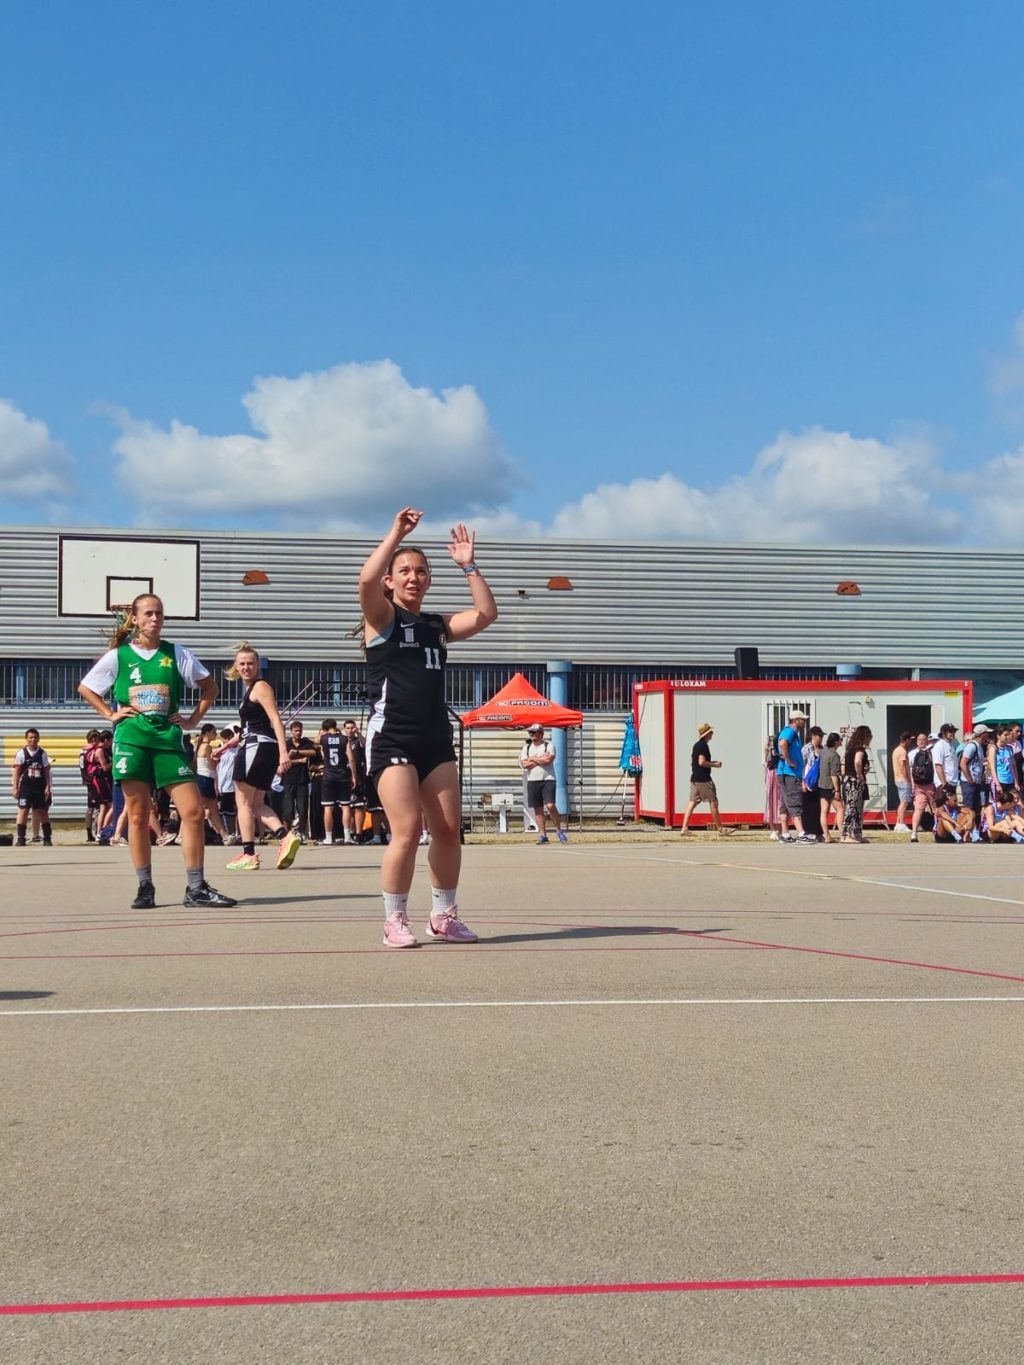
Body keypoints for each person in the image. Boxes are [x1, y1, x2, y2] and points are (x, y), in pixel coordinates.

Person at [360, 507, 498, 947]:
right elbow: (365, 580)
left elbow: (485, 614)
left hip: (435, 738)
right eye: (404, 571)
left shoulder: (437, 626)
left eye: (421, 571)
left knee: (447, 830)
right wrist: (396, 533)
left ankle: (443, 916)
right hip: (392, 737)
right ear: (390, 580)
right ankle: (394, 919)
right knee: (406, 829)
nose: (413, 577)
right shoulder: (382, 618)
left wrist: (469, 566)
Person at [77, 593, 237, 909]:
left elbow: (210, 687)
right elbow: (86, 687)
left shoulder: (177, 653)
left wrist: (192, 719)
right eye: (148, 613)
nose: (155, 618)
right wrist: (109, 714)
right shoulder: (119, 656)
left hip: (167, 740)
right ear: (135, 618)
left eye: (159, 613)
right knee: (137, 815)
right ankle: (145, 886)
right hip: (132, 741)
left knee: (193, 811)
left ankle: (196, 888)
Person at [224, 645, 300, 872]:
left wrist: (284, 752)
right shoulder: (249, 691)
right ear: (236, 666)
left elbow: (276, 719)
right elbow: (247, 727)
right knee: (256, 803)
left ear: (258, 665)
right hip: (257, 745)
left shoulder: (260, 687)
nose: (246, 667)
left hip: (257, 747)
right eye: (242, 663)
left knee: (243, 802)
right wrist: (226, 746)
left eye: (250, 663)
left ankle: (248, 854)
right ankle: (285, 837)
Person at [521, 722, 569, 843]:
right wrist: (540, 759)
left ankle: (559, 830)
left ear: (541, 733)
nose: (532, 734)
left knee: (550, 805)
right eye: (530, 732)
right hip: (532, 780)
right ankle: (542, 834)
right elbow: (524, 764)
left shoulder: (549, 745)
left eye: (534, 732)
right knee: (538, 809)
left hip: (548, 779)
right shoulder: (526, 748)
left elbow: (549, 760)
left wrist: (532, 759)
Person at [679, 722, 724, 835]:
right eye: (711, 732)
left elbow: (694, 762)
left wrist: (711, 762)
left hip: (694, 778)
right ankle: (720, 828)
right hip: (703, 779)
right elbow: (701, 762)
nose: (712, 734)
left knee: (692, 802)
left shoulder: (696, 745)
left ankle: (684, 828)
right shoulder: (703, 746)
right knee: (713, 801)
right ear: (707, 734)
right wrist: (715, 765)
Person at [12, 728, 53, 846]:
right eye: (30, 737)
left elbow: (46, 771)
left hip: (39, 787)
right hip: (26, 787)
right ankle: (21, 838)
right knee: (23, 811)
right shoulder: (21, 753)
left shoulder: (42, 753)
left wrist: (48, 786)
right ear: (26, 739)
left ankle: (47, 838)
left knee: (42, 811)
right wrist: (15, 787)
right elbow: (16, 771)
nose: (33, 739)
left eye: (35, 737)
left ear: (38, 738)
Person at [777, 711, 813, 843]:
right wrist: (789, 760)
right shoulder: (790, 731)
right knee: (794, 801)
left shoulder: (792, 733)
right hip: (789, 774)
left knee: (786, 804)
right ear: (796, 720)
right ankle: (801, 833)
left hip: (786, 773)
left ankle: (785, 834)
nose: (804, 722)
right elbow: (783, 743)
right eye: (802, 719)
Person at [195, 722, 232, 843]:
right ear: (207, 733)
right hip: (206, 778)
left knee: (213, 810)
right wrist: (217, 759)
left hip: (204, 778)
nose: (215, 734)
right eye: (214, 732)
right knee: (200, 809)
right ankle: (182, 834)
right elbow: (212, 766)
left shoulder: (200, 746)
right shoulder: (207, 747)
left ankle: (224, 836)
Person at [281, 719, 318, 838]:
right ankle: (286, 834)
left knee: (302, 809)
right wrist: (299, 760)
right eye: (296, 731)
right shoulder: (286, 744)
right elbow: (284, 762)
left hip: (302, 780)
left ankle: (302, 833)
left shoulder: (305, 742)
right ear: (291, 731)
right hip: (288, 780)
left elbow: (313, 752)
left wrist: (297, 751)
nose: (298, 733)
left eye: (300, 731)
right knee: (288, 810)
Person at [840, 725, 872, 844]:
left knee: (857, 809)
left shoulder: (850, 749)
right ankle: (846, 835)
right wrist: (859, 774)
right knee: (852, 808)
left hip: (849, 780)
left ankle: (857, 834)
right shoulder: (859, 750)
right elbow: (857, 762)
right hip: (854, 782)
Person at [908, 732, 939, 844]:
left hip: (918, 785)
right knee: (935, 809)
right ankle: (937, 832)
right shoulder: (932, 752)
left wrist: (912, 785)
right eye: (920, 739)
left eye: (923, 739)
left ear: (926, 741)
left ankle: (914, 833)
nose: (921, 741)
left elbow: (910, 770)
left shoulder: (912, 754)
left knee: (918, 809)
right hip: (930, 784)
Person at [959, 724, 989, 830]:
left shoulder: (980, 746)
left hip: (976, 781)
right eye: (986, 733)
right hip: (969, 783)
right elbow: (963, 763)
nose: (988, 735)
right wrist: (969, 779)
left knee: (976, 807)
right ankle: (965, 830)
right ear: (982, 734)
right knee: (969, 808)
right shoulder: (972, 746)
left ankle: (974, 830)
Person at [817, 732, 844, 843]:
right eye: (840, 739)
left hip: (821, 784)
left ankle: (827, 836)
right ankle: (843, 834)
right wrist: (837, 790)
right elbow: (834, 775)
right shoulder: (834, 756)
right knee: (840, 809)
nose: (841, 741)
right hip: (830, 786)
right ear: (836, 742)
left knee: (824, 811)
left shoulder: (823, 752)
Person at [801, 725, 825, 840]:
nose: (821, 738)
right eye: (820, 736)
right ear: (813, 736)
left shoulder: (822, 748)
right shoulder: (806, 748)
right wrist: (802, 782)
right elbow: (802, 765)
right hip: (808, 781)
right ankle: (809, 831)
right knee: (808, 807)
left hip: (820, 782)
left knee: (818, 807)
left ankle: (818, 831)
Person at [890, 731, 913, 834]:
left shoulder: (896, 750)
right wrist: (908, 779)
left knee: (902, 802)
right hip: (903, 779)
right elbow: (904, 766)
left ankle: (898, 824)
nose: (910, 742)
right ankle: (901, 824)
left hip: (898, 779)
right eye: (910, 740)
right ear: (906, 740)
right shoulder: (902, 751)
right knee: (905, 802)